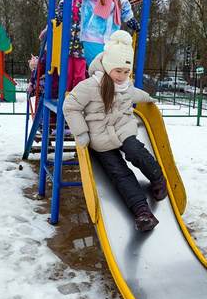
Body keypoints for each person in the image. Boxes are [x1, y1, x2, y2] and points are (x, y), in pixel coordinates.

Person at [63, 29, 172, 232]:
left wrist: (148, 98)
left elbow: (135, 94)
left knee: (135, 150)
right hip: (100, 138)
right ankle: (143, 212)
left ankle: (157, 177)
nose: (122, 77)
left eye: (125, 72)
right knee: (118, 173)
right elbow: (70, 106)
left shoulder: (126, 85)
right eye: (117, 71)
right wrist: (82, 133)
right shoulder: (90, 86)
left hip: (123, 129)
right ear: (107, 66)